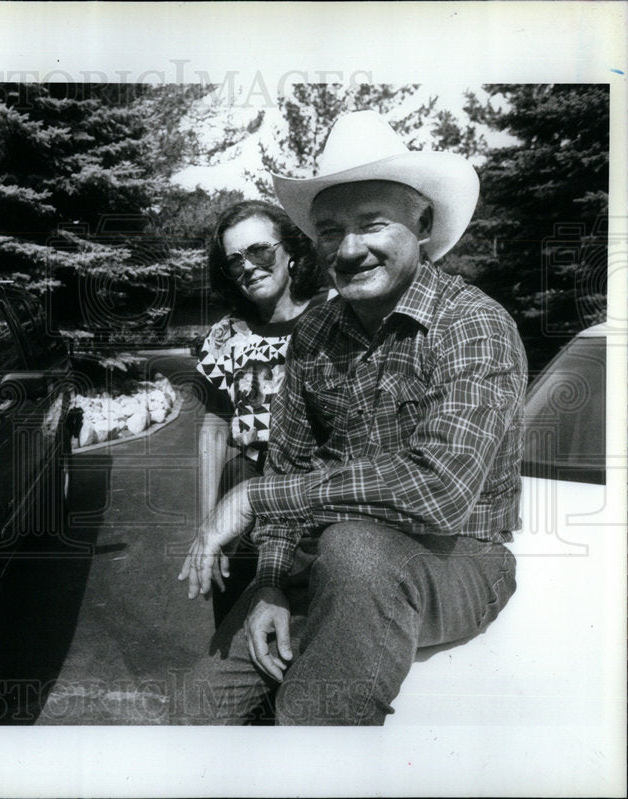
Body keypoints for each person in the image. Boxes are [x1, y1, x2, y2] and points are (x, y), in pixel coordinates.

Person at [177, 110, 527, 725]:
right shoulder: (314, 332)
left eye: (372, 224)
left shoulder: (473, 324)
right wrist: (271, 585)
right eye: (330, 230)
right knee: (197, 705)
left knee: (352, 558)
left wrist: (259, 496)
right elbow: (290, 458)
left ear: (422, 224)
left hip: (459, 559)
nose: (349, 248)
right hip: (326, 562)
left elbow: (440, 490)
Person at [195, 200, 328, 628]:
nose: (248, 267)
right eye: (235, 261)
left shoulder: (333, 317)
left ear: (291, 251)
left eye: (260, 251)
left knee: (312, 631)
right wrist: (207, 526)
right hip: (246, 493)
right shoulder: (226, 335)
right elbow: (214, 432)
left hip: (320, 500)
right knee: (236, 625)